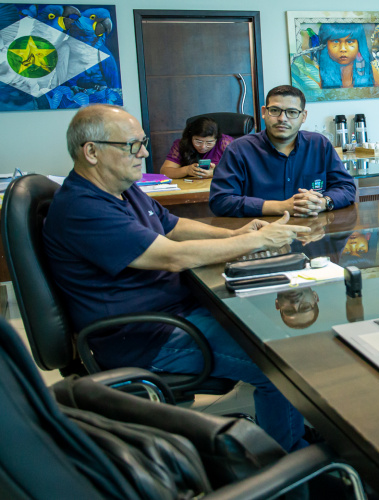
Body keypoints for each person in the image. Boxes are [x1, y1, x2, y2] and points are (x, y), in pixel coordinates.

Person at [43, 104, 312, 452]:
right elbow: (173, 256)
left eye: (142, 142)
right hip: (146, 337)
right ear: (91, 152)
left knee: (272, 331)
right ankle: (288, 462)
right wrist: (258, 240)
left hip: (174, 313)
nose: (143, 153)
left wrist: (236, 235)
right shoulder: (84, 208)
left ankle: (290, 435)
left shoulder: (121, 187)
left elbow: (174, 226)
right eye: (131, 146)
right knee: (281, 366)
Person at [209, 85, 357, 217]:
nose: (282, 118)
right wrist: (281, 207)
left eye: (292, 112)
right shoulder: (239, 149)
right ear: (264, 112)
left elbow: (346, 187)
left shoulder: (319, 145)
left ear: (303, 116)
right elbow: (220, 200)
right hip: (259, 236)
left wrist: (323, 203)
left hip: (311, 235)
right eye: (275, 110)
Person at [159, 117, 232, 179]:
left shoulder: (225, 143)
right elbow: (165, 172)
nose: (203, 147)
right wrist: (186, 170)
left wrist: (215, 172)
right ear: (191, 137)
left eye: (209, 143)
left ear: (217, 139)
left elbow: (240, 169)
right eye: (198, 141)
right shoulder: (181, 145)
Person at [317, 23, 379, 89]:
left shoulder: (371, 69)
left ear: (359, 44)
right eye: (335, 41)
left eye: (350, 41)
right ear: (325, 45)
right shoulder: (316, 73)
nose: (343, 49)